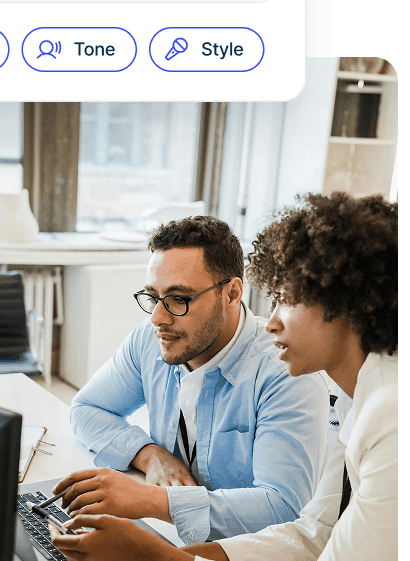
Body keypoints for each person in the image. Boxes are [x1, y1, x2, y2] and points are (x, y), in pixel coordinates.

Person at [50, 193, 398, 561]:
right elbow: (312, 537)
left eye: (287, 300)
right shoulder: (365, 402)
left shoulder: (391, 421)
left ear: (348, 307)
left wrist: (153, 554)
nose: (271, 322)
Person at [54, 215, 329, 544]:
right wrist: (151, 455)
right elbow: (86, 408)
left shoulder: (285, 373)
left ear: (231, 294)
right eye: (152, 297)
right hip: (173, 537)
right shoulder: (152, 339)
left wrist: (150, 500)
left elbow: (283, 510)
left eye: (178, 299)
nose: (158, 317)